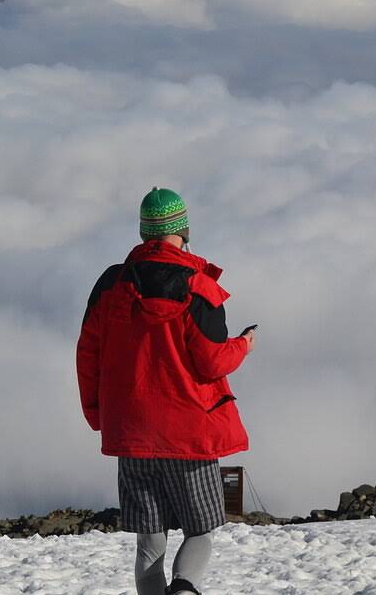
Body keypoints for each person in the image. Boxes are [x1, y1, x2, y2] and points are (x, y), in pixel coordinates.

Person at [77, 187, 256, 595]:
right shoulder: (199, 288)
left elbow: (88, 354)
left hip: (132, 433)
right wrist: (244, 345)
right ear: (184, 229)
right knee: (202, 530)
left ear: (144, 232)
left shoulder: (110, 285)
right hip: (189, 435)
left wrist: (98, 414)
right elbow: (213, 361)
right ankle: (185, 590)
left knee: (149, 543)